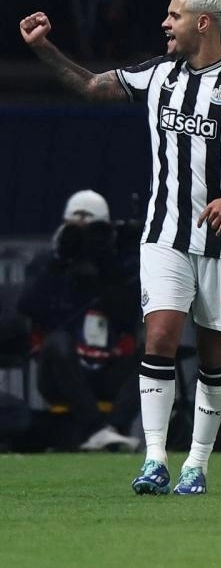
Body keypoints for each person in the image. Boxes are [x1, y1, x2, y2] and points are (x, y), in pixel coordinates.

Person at [19, 0, 221, 495]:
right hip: (163, 233)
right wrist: (43, 49)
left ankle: (197, 464)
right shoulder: (159, 73)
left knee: (215, 353)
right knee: (160, 336)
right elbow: (93, 87)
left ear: (203, 22)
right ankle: (156, 458)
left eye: (174, 15)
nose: (166, 23)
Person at [18, 190, 140, 452]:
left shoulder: (117, 266)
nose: (85, 237)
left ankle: (114, 431)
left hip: (107, 367)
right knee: (57, 341)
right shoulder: (47, 264)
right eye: (77, 230)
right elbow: (28, 306)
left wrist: (104, 269)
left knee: (153, 357)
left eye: (93, 230)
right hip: (61, 372)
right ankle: (99, 430)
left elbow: (130, 317)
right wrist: (59, 262)